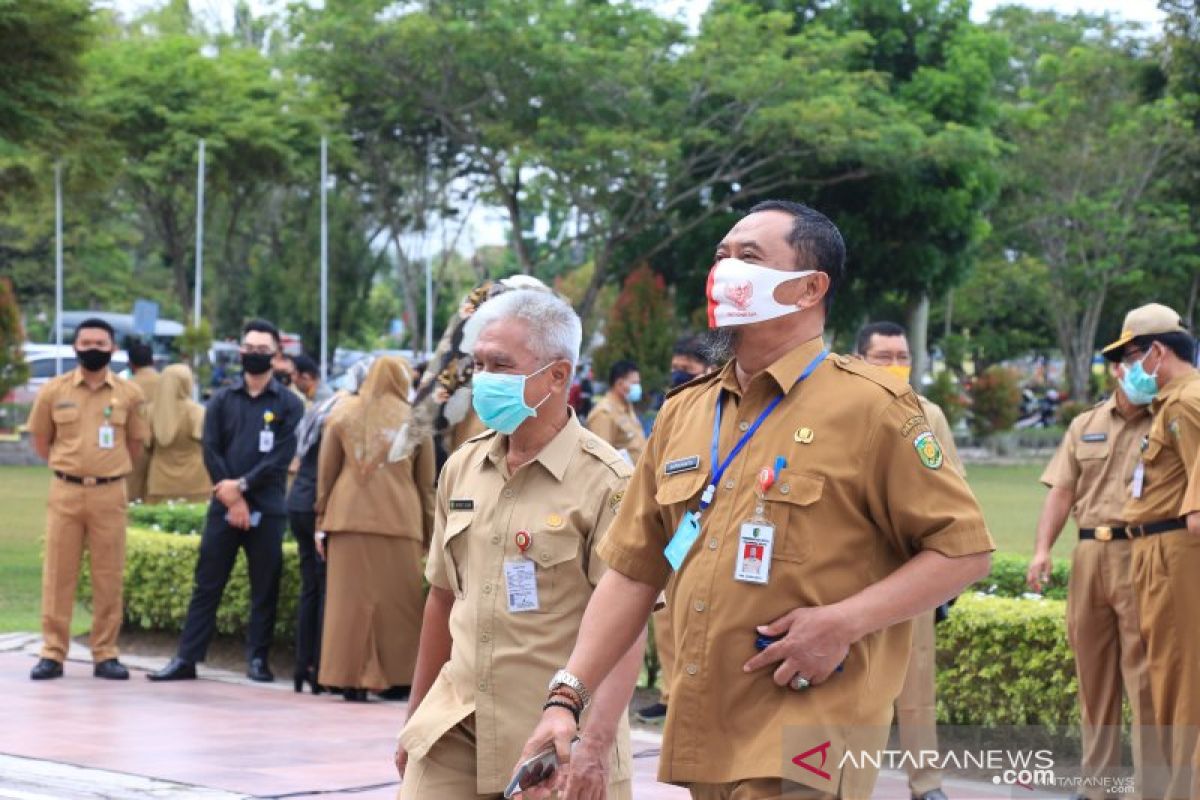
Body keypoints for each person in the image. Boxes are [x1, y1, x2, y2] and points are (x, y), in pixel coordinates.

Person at [516, 200, 994, 800]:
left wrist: (842, 623)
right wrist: (567, 698)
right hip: (709, 732)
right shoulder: (686, 411)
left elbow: (964, 552)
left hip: (810, 734)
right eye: (721, 256)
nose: (725, 271)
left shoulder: (874, 408)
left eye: (749, 257)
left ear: (809, 288)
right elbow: (634, 571)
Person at [397, 288, 642, 800]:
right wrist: (414, 716)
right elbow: (442, 598)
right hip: (454, 727)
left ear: (558, 376)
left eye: (501, 366)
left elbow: (629, 622)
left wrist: (595, 747)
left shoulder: (610, 482)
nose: (483, 380)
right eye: (479, 364)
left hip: (556, 738)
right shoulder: (462, 467)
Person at [147, 319, 304, 683]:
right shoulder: (221, 399)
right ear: (240, 353)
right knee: (207, 583)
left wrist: (243, 487)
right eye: (248, 349)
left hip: (267, 504)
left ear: (276, 355)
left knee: (264, 586)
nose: (254, 356)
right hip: (223, 504)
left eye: (262, 351)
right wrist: (230, 495)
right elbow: (211, 450)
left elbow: (281, 457)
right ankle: (187, 658)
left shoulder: (288, 404)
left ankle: (257, 660)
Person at [1026, 364, 1157, 797]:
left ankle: (1150, 785)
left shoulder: (1171, 418)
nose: (1145, 369)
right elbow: (1062, 490)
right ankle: (1097, 785)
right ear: (1118, 367)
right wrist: (1043, 549)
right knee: (1093, 677)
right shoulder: (1087, 423)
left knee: (1146, 679)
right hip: (1089, 552)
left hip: (1142, 552)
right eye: (1135, 358)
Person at [855, 320, 965, 800]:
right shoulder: (838, 411)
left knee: (916, 685)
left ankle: (927, 785)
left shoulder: (928, 415)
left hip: (910, 571)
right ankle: (837, 780)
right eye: (884, 357)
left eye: (902, 357)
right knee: (844, 685)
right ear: (860, 359)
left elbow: (952, 493)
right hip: (847, 574)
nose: (896, 365)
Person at [1101, 303, 1200, 799]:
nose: (1126, 370)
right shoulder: (1170, 404)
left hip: (1178, 552)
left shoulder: (1187, 403)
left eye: (1132, 357)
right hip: (1157, 550)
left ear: (1158, 352)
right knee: (1169, 682)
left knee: (1183, 687)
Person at [27, 317, 149, 680]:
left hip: (110, 492)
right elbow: (40, 441)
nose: (92, 349)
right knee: (57, 574)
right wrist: (69, 468)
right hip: (65, 491)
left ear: (112, 348)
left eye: (100, 343)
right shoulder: (54, 390)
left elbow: (136, 444)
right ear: (75, 346)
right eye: (86, 342)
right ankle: (52, 652)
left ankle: (105, 653)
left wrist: (105, 467)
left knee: (108, 574)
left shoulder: (130, 394)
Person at [315, 356, 436, 701]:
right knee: (398, 605)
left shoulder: (341, 413)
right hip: (400, 522)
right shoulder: (415, 419)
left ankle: (347, 678)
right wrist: (429, 532)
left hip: (346, 519)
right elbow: (426, 483)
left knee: (347, 605)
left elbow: (326, 474)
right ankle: (397, 679)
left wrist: (321, 519)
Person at [637, 336, 719, 725]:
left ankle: (689, 698)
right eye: (677, 368)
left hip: (709, 534)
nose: (678, 375)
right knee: (666, 619)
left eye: (687, 370)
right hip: (673, 531)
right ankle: (672, 695)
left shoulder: (720, 413)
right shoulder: (671, 410)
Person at [287, 357, 353, 695]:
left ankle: (304, 666)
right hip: (314, 506)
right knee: (328, 590)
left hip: (297, 500)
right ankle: (320, 668)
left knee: (310, 588)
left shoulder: (319, 408)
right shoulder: (339, 412)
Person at [145, 365, 209, 504]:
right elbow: (209, 445)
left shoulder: (150, 412)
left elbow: (145, 446)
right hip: (196, 482)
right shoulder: (197, 412)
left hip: (160, 483)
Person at [586, 359, 647, 465]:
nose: (638, 387)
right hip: (623, 479)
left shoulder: (627, 406)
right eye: (634, 383)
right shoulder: (603, 414)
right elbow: (601, 461)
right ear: (619, 384)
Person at [124, 339, 159, 503]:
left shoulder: (126, 387)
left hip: (134, 445)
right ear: (153, 361)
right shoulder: (166, 384)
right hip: (163, 445)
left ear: (130, 363)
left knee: (132, 495)